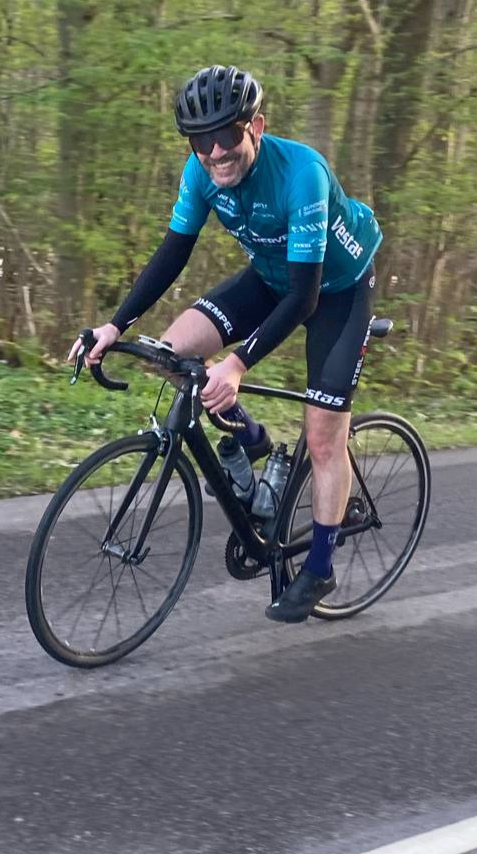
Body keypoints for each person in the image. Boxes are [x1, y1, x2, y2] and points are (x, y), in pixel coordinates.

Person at [68, 64, 383, 623]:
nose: (214, 153)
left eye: (226, 136)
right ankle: (256, 445)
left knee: (323, 436)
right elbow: (172, 253)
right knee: (170, 352)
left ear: (255, 127)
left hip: (334, 289)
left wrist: (236, 364)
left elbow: (305, 298)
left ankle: (319, 566)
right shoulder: (200, 172)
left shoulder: (301, 174)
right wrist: (115, 325)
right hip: (269, 277)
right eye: (199, 141)